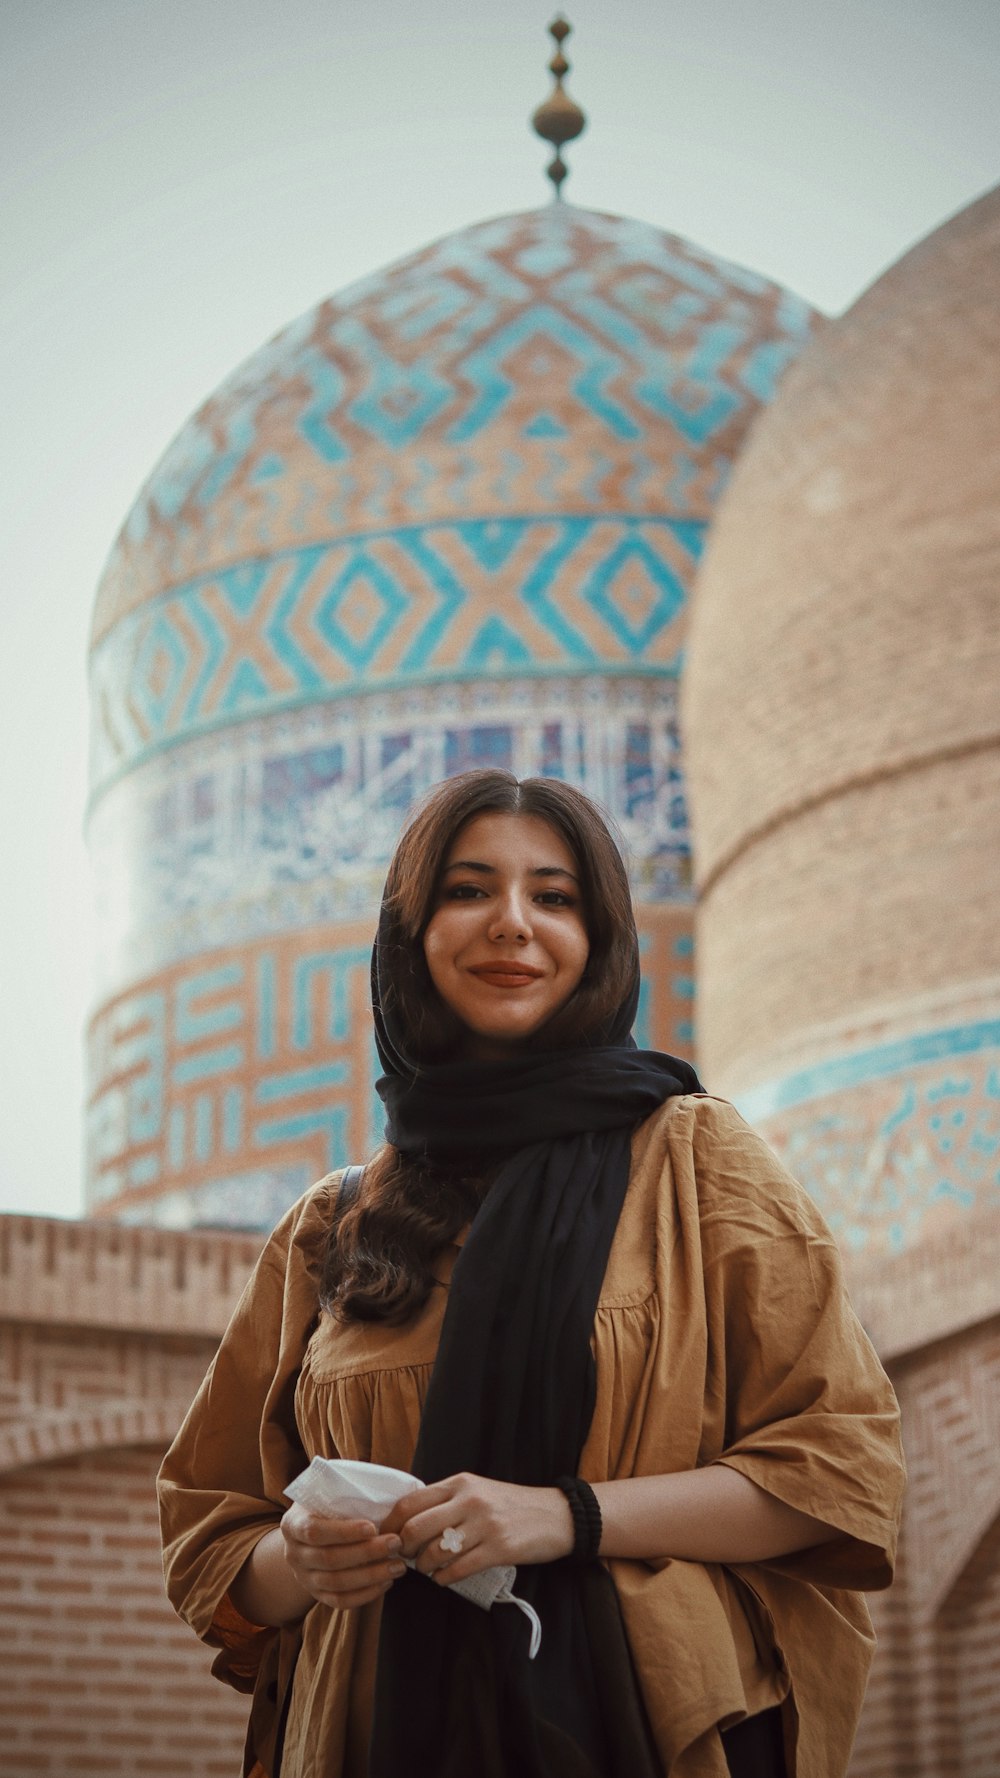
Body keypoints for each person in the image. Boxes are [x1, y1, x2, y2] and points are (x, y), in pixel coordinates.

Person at [158, 770, 904, 1778]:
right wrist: (304, 1558)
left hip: (637, 1733)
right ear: (408, 933)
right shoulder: (332, 1223)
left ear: (598, 937)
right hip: (374, 1735)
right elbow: (212, 1538)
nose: (512, 923)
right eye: (468, 889)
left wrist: (565, 1513)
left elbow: (839, 1472)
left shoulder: (693, 1158)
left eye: (553, 897)